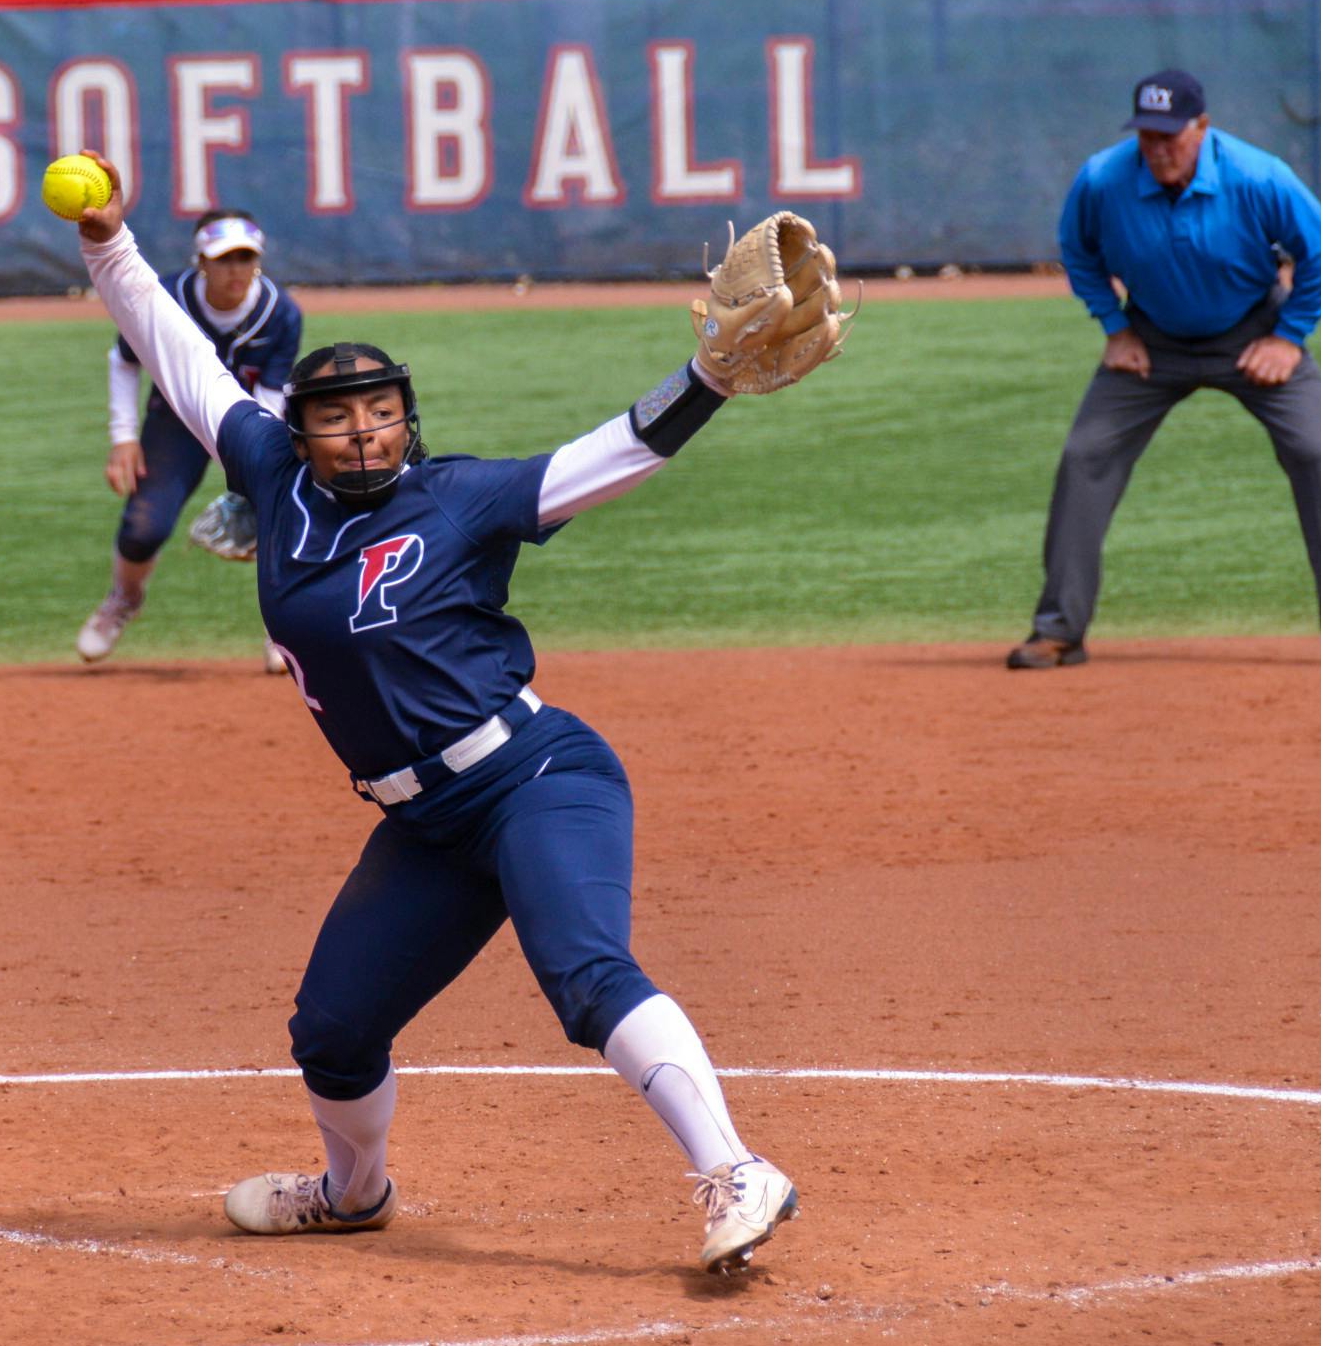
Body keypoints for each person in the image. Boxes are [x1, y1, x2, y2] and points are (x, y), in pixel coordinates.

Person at [61, 152, 850, 1274]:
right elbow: (172, 344)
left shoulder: (461, 498)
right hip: (423, 824)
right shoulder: (269, 476)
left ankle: (734, 1169)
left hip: (535, 778)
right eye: (338, 417)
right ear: (299, 430)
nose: (363, 433)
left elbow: (609, 455)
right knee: (332, 1030)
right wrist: (107, 243)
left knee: (583, 973)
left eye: (382, 413)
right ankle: (353, 1194)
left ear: (407, 421)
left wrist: (706, 381)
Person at [1007, 69, 1321, 671]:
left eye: (1170, 135)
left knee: (1316, 454)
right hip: (1152, 340)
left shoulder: (1258, 176)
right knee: (1085, 457)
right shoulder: (1103, 179)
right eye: (1147, 136)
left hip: (1253, 332)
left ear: (1202, 127)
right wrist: (1114, 325)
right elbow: (1077, 249)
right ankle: (1059, 630)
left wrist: (1289, 338)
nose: (1157, 148)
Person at [76, 208, 303, 674]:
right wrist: (123, 437)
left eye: (245, 258)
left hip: (246, 421)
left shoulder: (280, 313)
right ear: (201, 261)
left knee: (284, 517)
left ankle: (284, 627)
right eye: (223, 259)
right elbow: (124, 359)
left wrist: (253, 468)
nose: (235, 269)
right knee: (144, 527)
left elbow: (270, 395)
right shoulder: (169, 296)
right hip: (175, 421)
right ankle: (125, 598)